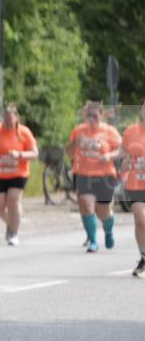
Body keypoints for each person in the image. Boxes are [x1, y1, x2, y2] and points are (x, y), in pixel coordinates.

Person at [67, 101, 122, 253]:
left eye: (95, 116)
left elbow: (122, 150)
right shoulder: (79, 131)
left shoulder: (110, 131)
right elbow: (70, 153)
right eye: (88, 115)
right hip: (83, 174)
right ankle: (93, 241)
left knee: (103, 210)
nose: (91, 119)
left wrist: (109, 155)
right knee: (86, 204)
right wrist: (74, 144)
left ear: (101, 116)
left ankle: (108, 230)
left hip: (105, 175)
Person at [0, 103, 38, 246]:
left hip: (18, 173)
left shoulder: (24, 132)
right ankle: (12, 224)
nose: (8, 122)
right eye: (6, 119)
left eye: (11, 119)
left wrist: (19, 154)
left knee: (13, 200)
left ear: (16, 118)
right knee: (0, 208)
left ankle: (14, 233)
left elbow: (34, 153)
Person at [120, 99, 145, 276]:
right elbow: (122, 152)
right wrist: (109, 156)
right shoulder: (131, 131)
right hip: (136, 181)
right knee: (140, 219)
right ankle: (143, 256)